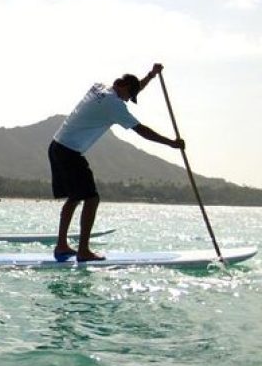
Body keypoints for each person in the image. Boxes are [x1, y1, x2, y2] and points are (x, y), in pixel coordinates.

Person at [48, 63, 184, 262]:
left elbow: (132, 87)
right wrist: (171, 143)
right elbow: (141, 130)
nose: (127, 101)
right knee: (91, 199)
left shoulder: (100, 88)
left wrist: (151, 76)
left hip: (57, 145)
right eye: (128, 96)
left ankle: (61, 246)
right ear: (120, 86)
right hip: (69, 152)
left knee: (75, 197)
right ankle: (83, 251)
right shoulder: (114, 104)